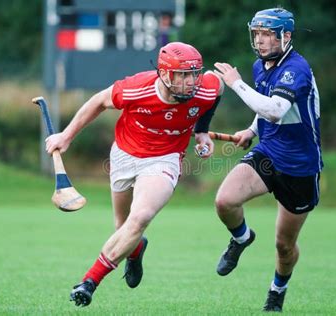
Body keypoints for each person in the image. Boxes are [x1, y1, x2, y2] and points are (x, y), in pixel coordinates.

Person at [45, 42, 224, 307]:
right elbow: (98, 101)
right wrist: (66, 136)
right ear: (164, 73)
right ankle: (136, 249)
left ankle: (89, 282)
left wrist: (201, 130)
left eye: (194, 74)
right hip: (124, 156)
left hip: (164, 160)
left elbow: (218, 84)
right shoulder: (136, 88)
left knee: (139, 218)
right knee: (122, 226)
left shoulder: (204, 88)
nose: (190, 83)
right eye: (183, 75)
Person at [212, 7, 322, 312]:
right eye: (256, 34)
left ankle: (277, 290)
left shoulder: (296, 69)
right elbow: (265, 112)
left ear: (285, 36)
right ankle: (241, 238)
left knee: (283, 246)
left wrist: (235, 83)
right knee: (225, 201)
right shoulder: (260, 67)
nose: (259, 41)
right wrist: (250, 129)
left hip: (300, 168)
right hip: (268, 155)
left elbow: (275, 108)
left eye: (266, 35)